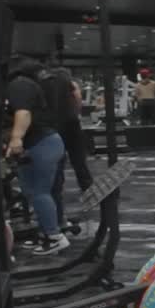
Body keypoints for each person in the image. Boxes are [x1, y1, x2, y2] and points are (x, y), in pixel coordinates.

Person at [6, 57, 70, 256]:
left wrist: (16, 139)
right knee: (34, 192)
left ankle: (54, 237)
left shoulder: (20, 84)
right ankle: (46, 235)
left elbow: (23, 113)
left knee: (39, 192)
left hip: (41, 144)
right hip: (44, 143)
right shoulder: (25, 84)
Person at [39, 65, 91, 230]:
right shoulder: (71, 84)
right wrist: (75, 114)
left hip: (56, 126)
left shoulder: (45, 85)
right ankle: (88, 190)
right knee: (79, 161)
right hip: (72, 124)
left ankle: (58, 196)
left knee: (58, 165)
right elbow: (77, 100)